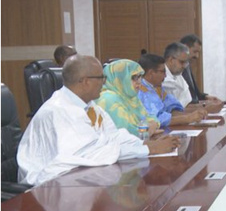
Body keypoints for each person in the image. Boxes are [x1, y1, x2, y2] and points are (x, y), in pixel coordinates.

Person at [17, 55, 180, 186]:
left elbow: (114, 136)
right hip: (49, 186)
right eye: (101, 78)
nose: (105, 82)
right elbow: (89, 154)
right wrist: (148, 150)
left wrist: (145, 145)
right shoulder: (59, 110)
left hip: (77, 179)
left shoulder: (90, 106)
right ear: (85, 81)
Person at [137, 53, 208, 128]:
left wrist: (194, 114)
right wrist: (188, 118)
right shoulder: (140, 91)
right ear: (151, 73)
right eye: (162, 72)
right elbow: (156, 120)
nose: (165, 75)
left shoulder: (157, 87)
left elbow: (172, 108)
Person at [96, 59, 161, 136]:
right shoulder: (108, 98)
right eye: (134, 77)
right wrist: (149, 129)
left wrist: (153, 125)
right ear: (120, 77)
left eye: (140, 76)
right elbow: (127, 132)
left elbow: (150, 117)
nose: (139, 81)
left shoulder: (130, 97)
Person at [162, 42, 223, 113]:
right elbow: (171, 112)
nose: (185, 66)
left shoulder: (178, 76)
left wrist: (206, 105)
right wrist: (205, 109)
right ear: (171, 60)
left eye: (186, 63)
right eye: (182, 62)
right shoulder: (160, 78)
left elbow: (185, 105)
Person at [179, 34, 222, 104]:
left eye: (198, 52)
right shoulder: (174, 70)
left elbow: (195, 93)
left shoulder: (187, 66)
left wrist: (206, 97)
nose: (197, 56)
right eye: (195, 52)